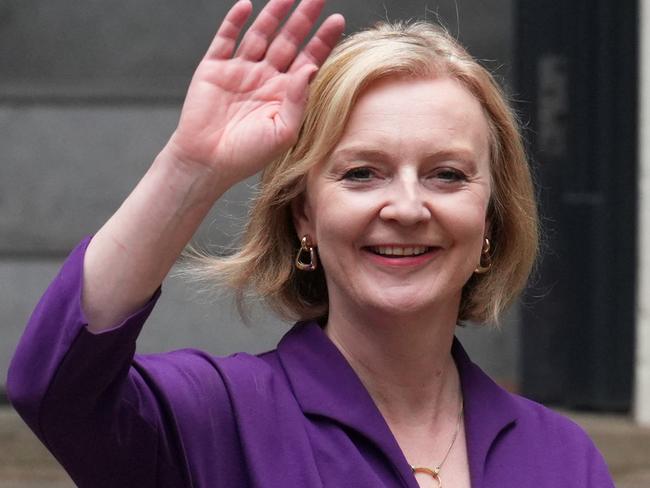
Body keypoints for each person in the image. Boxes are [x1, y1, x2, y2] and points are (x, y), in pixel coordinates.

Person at [7, 0, 614, 486]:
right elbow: (56, 387)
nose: (405, 207)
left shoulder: (562, 457)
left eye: (447, 174)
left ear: (489, 221)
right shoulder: (215, 419)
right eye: (361, 173)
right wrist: (191, 168)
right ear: (305, 216)